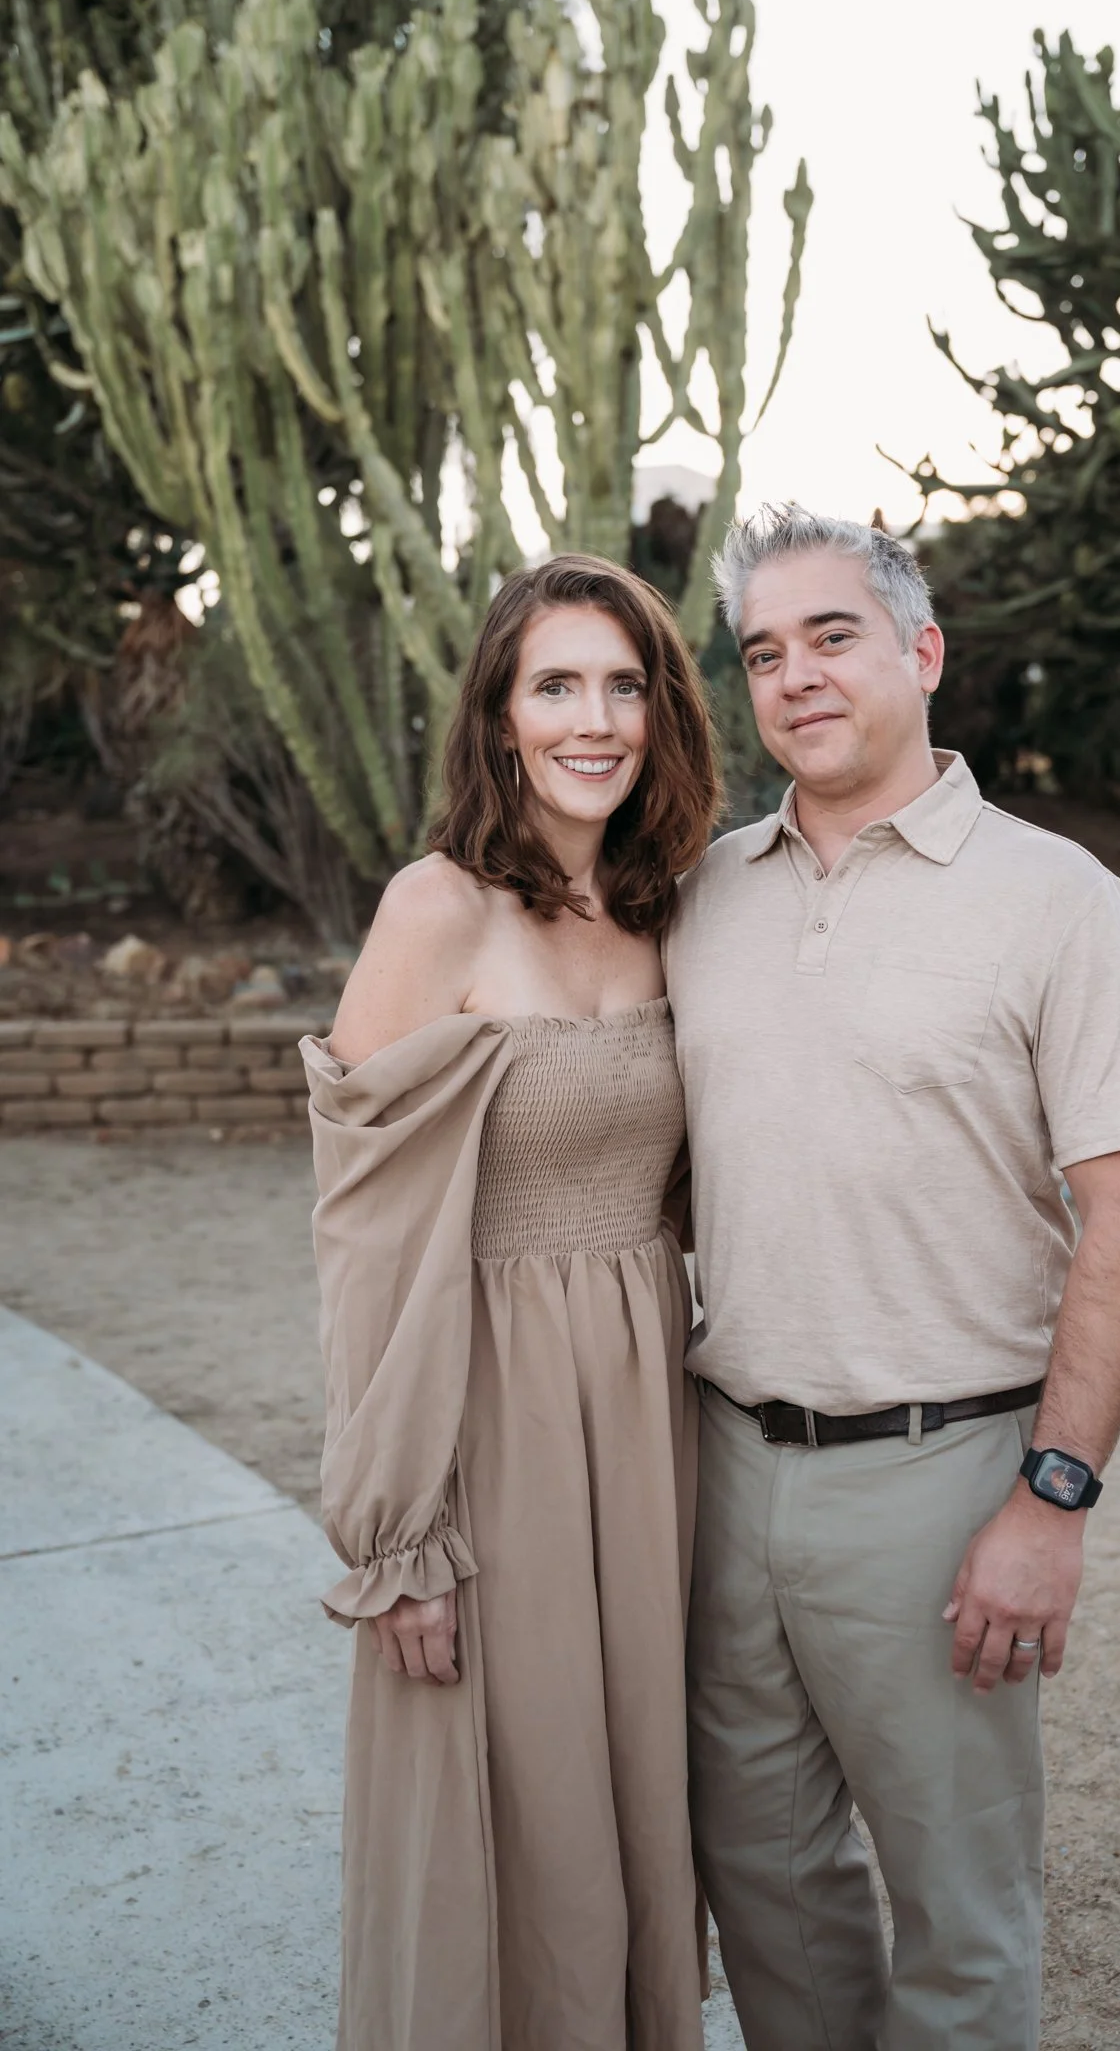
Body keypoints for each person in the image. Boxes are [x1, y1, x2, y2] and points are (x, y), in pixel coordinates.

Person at [664, 504, 1120, 2051]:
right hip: (725, 1465)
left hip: (945, 1474)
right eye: (764, 652)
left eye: (833, 636)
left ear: (923, 649)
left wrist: (1053, 1499)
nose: (797, 677)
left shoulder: (1054, 897)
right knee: (765, 1888)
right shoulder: (706, 896)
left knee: (959, 1923)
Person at [302, 553, 720, 2051]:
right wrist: (399, 1533)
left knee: (632, 1791)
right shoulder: (438, 909)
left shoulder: (678, 908)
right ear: (501, 715)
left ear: (664, 712)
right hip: (486, 1415)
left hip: (647, 1412)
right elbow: (364, 1237)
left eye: (625, 683)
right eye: (557, 684)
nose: (594, 719)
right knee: (521, 1787)